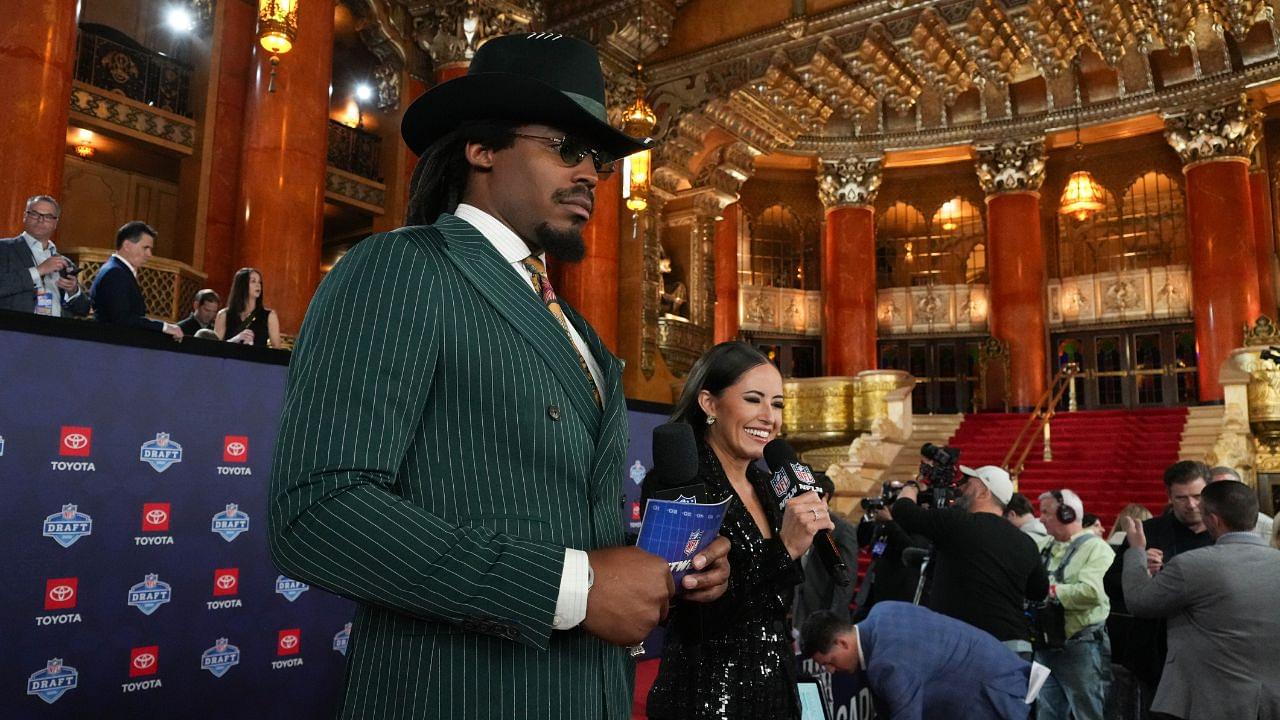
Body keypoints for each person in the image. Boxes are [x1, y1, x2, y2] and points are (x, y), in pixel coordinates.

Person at [268, 33, 732, 720]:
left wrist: (651, 569)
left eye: (598, 160)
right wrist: (571, 587)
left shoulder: (572, 324)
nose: (589, 175)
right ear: (481, 148)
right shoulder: (402, 267)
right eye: (566, 148)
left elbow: (543, 518)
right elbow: (316, 512)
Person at [647, 341, 832, 720]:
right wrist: (785, 549)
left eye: (778, 404)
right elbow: (696, 616)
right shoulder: (679, 485)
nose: (770, 417)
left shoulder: (768, 486)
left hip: (775, 690)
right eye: (753, 399)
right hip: (705, 696)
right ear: (709, 403)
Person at [1121, 480, 1280, 720]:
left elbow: (1139, 602)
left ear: (1213, 520)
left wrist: (1136, 552)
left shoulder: (1193, 564)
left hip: (1210, 700)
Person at [891, 464, 1049, 657]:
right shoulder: (1026, 543)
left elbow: (904, 512)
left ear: (984, 493)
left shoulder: (958, 523)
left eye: (969, 484)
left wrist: (910, 487)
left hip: (966, 648)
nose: (961, 488)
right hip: (1013, 649)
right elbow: (1038, 591)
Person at [1104, 460, 1212, 715]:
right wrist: (1139, 570)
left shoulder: (1223, 530)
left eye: (1197, 496)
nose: (1191, 505)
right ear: (1169, 497)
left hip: (1208, 650)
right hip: (1156, 653)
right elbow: (1111, 584)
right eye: (1181, 498)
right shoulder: (1149, 532)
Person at [802, 603, 1034, 720]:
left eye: (829, 662)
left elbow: (906, 715)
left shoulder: (888, 664)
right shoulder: (882, 610)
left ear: (843, 643)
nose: (831, 671)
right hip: (1005, 673)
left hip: (995, 702)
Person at [1034, 489, 1114, 720]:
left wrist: (1050, 591)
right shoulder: (1044, 545)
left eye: (1046, 512)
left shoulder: (1096, 548)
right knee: (1047, 711)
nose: (1041, 518)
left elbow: (1092, 592)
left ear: (1067, 514)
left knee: (1088, 712)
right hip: (1044, 642)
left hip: (1080, 645)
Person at [89, 221, 181, 339]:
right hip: (112, 347)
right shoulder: (115, 272)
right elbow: (121, 319)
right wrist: (164, 327)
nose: (149, 254)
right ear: (127, 245)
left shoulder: (117, 270)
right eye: (145, 248)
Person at [0, 195, 89, 316]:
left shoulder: (65, 263)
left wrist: (73, 291)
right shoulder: (4, 248)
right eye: (35, 214)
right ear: (25, 216)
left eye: (47, 217)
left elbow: (83, 310)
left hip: (54, 332)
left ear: (55, 223)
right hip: (15, 331)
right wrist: (38, 271)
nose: (40, 220)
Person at [855, 481, 931, 620]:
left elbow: (911, 548)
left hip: (900, 589)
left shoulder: (916, 521)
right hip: (876, 585)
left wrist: (890, 522)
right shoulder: (884, 522)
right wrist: (867, 519)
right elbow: (862, 541)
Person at [792, 472, 859, 630]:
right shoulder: (797, 524)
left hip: (826, 617)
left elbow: (846, 581)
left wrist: (831, 619)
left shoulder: (842, 529)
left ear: (825, 497)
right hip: (800, 611)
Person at [214, 267, 281, 347]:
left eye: (259, 282)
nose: (258, 285)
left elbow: (277, 349)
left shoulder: (269, 316)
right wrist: (235, 340)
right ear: (242, 285)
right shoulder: (223, 315)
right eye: (253, 281)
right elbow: (216, 348)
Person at [1209, 465, 1274, 543]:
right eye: (1219, 490)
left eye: (1232, 488)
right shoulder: (1202, 521)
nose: (1227, 494)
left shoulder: (1266, 526)